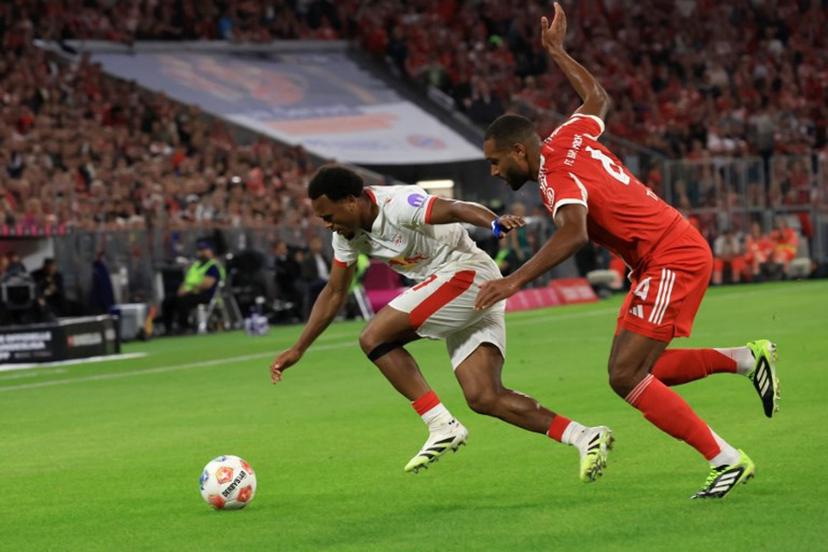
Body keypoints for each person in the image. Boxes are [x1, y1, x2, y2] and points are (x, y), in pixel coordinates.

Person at [476, 3, 778, 499]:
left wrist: (513, 281)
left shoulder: (555, 177)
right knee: (642, 370)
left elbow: (572, 234)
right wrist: (557, 51)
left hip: (669, 257)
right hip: (663, 254)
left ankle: (726, 459)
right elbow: (597, 96)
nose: (492, 171)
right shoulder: (569, 135)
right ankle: (746, 360)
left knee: (624, 375)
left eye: (494, 162)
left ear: (519, 152)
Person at [271, 165, 614, 481]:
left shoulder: (398, 203)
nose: (327, 225)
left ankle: (440, 424)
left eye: (329, 216)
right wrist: (299, 348)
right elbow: (334, 291)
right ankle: (585, 436)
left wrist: (493, 223)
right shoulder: (346, 236)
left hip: (465, 273)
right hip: (456, 287)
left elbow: (453, 208)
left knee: (374, 336)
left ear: (351, 200)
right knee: (484, 396)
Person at [161, 239, 225, 334]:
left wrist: (188, 291)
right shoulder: (195, 266)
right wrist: (181, 290)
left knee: (183, 301)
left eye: (204, 250)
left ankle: (184, 327)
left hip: (205, 294)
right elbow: (186, 281)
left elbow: (207, 284)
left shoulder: (213, 266)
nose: (202, 252)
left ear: (210, 251)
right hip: (191, 292)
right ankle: (168, 328)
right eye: (200, 250)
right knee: (168, 300)